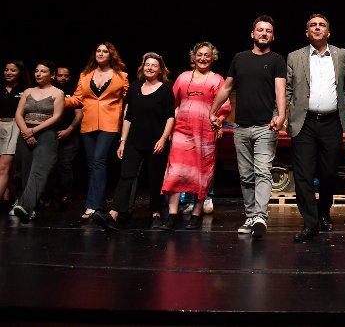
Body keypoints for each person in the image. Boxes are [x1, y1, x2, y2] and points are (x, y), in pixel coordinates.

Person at [210, 15, 286, 238]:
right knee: (245, 175)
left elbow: (280, 90)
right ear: (252, 34)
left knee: (262, 171)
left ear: (273, 36)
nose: (264, 33)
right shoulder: (240, 58)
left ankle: (260, 215)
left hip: (266, 127)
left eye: (268, 31)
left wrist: (281, 115)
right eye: (260, 30)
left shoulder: (277, 60)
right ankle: (251, 216)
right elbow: (227, 88)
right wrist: (212, 110)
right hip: (241, 127)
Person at [286, 14, 345, 242]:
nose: (317, 28)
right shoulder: (294, 56)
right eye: (313, 25)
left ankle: (324, 212)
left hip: (331, 122)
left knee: (329, 173)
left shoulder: (341, 54)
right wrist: (281, 114)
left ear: (328, 32)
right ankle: (310, 223)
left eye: (321, 25)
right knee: (303, 175)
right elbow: (287, 89)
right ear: (307, 32)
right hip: (304, 123)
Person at [92, 52, 175, 232]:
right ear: (142, 67)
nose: (150, 68)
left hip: (156, 142)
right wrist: (123, 141)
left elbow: (170, 117)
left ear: (160, 69)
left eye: (154, 65)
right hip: (134, 141)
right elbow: (128, 116)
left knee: (155, 179)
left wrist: (163, 139)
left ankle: (156, 214)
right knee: (126, 176)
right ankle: (113, 214)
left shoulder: (166, 89)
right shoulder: (135, 86)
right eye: (147, 64)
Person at [160, 41, 231, 231]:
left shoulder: (217, 80)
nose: (203, 58)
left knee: (202, 172)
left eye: (207, 55)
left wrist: (219, 121)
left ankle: (196, 214)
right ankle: (172, 214)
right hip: (181, 130)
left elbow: (224, 108)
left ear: (212, 58)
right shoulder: (183, 77)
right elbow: (173, 104)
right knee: (175, 171)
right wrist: (170, 128)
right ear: (193, 57)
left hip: (204, 132)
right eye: (199, 54)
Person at [65, 42, 129, 221]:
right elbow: (77, 99)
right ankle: (98, 203)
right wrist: (58, 99)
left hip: (110, 123)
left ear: (111, 55)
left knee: (99, 160)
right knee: (92, 163)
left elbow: (127, 101)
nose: (100, 53)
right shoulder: (85, 75)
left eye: (105, 51)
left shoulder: (121, 76)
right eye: (98, 51)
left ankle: (92, 205)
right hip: (89, 122)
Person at [12, 60, 65, 223]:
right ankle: (27, 206)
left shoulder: (58, 92)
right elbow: (18, 114)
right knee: (25, 170)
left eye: (43, 71)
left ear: (52, 75)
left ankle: (26, 207)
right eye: (36, 71)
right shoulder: (28, 91)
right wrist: (26, 132)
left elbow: (57, 116)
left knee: (39, 170)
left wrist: (34, 131)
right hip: (26, 132)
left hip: (46, 134)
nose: (38, 74)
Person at [42, 65, 82, 210]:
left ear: (69, 77)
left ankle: (65, 194)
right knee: (49, 166)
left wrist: (68, 130)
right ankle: (48, 195)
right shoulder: (49, 91)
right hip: (49, 135)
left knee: (65, 166)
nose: (63, 78)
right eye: (60, 75)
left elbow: (79, 115)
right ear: (54, 76)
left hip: (69, 136)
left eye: (66, 75)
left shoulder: (74, 92)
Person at [1, 59, 31, 210]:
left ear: (20, 72)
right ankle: (13, 197)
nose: (8, 72)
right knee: (6, 169)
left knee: (4, 166)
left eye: (13, 70)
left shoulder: (26, 90)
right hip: (0, 125)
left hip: (15, 126)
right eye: (6, 70)